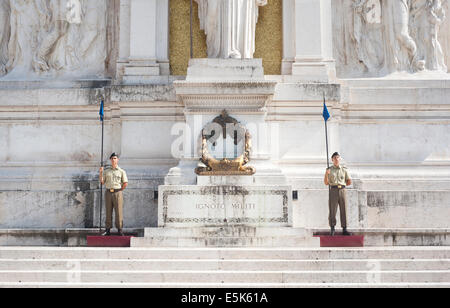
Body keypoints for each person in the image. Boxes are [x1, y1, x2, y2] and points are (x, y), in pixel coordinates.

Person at [99, 153, 128, 236]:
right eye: (112, 158)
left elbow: (125, 183)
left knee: (118, 212)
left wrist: (119, 190)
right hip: (108, 192)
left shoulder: (121, 171)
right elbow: (102, 182)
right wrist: (101, 172)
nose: (113, 160)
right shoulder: (106, 171)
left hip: (117, 192)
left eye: (115, 158)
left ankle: (119, 229)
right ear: (110, 160)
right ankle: (107, 230)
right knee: (108, 211)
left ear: (117, 160)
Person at [324, 152, 352, 236]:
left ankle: (344, 228)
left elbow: (349, 181)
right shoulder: (329, 170)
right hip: (333, 190)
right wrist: (326, 174)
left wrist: (342, 185)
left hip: (342, 190)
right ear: (332, 160)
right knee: (332, 210)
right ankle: (332, 228)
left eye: (338, 157)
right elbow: (326, 183)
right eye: (335, 158)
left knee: (344, 209)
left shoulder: (344, 169)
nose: (336, 159)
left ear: (340, 159)